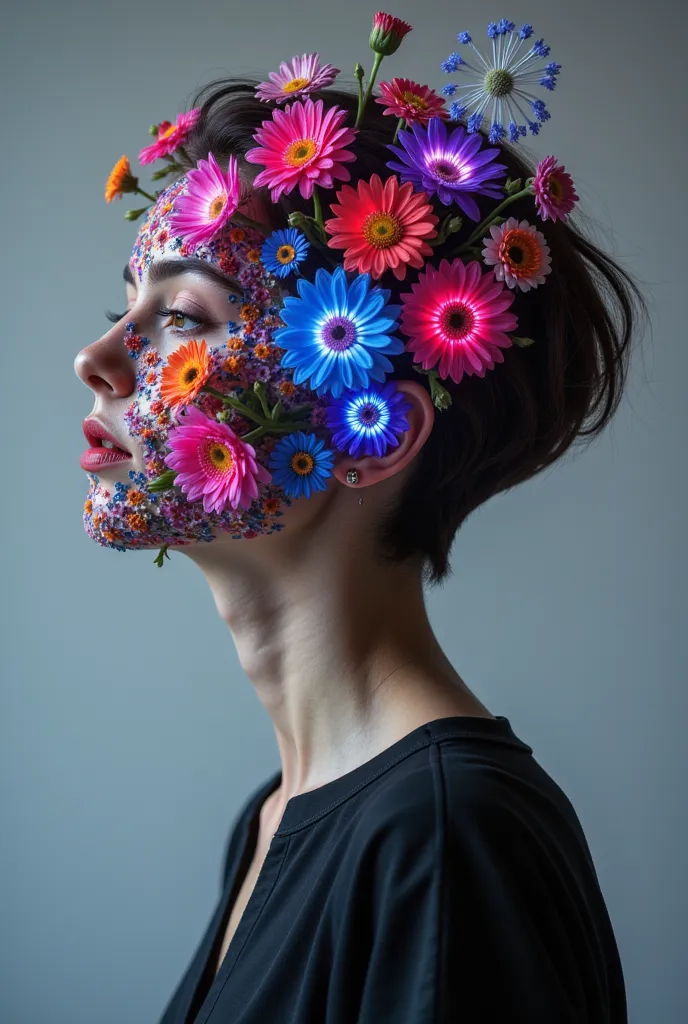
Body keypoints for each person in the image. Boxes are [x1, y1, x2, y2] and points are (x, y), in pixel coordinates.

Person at [75, 15, 646, 1023]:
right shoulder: (273, 818)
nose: (99, 358)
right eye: (128, 306)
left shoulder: (443, 839)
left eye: (183, 320)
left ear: (372, 434)